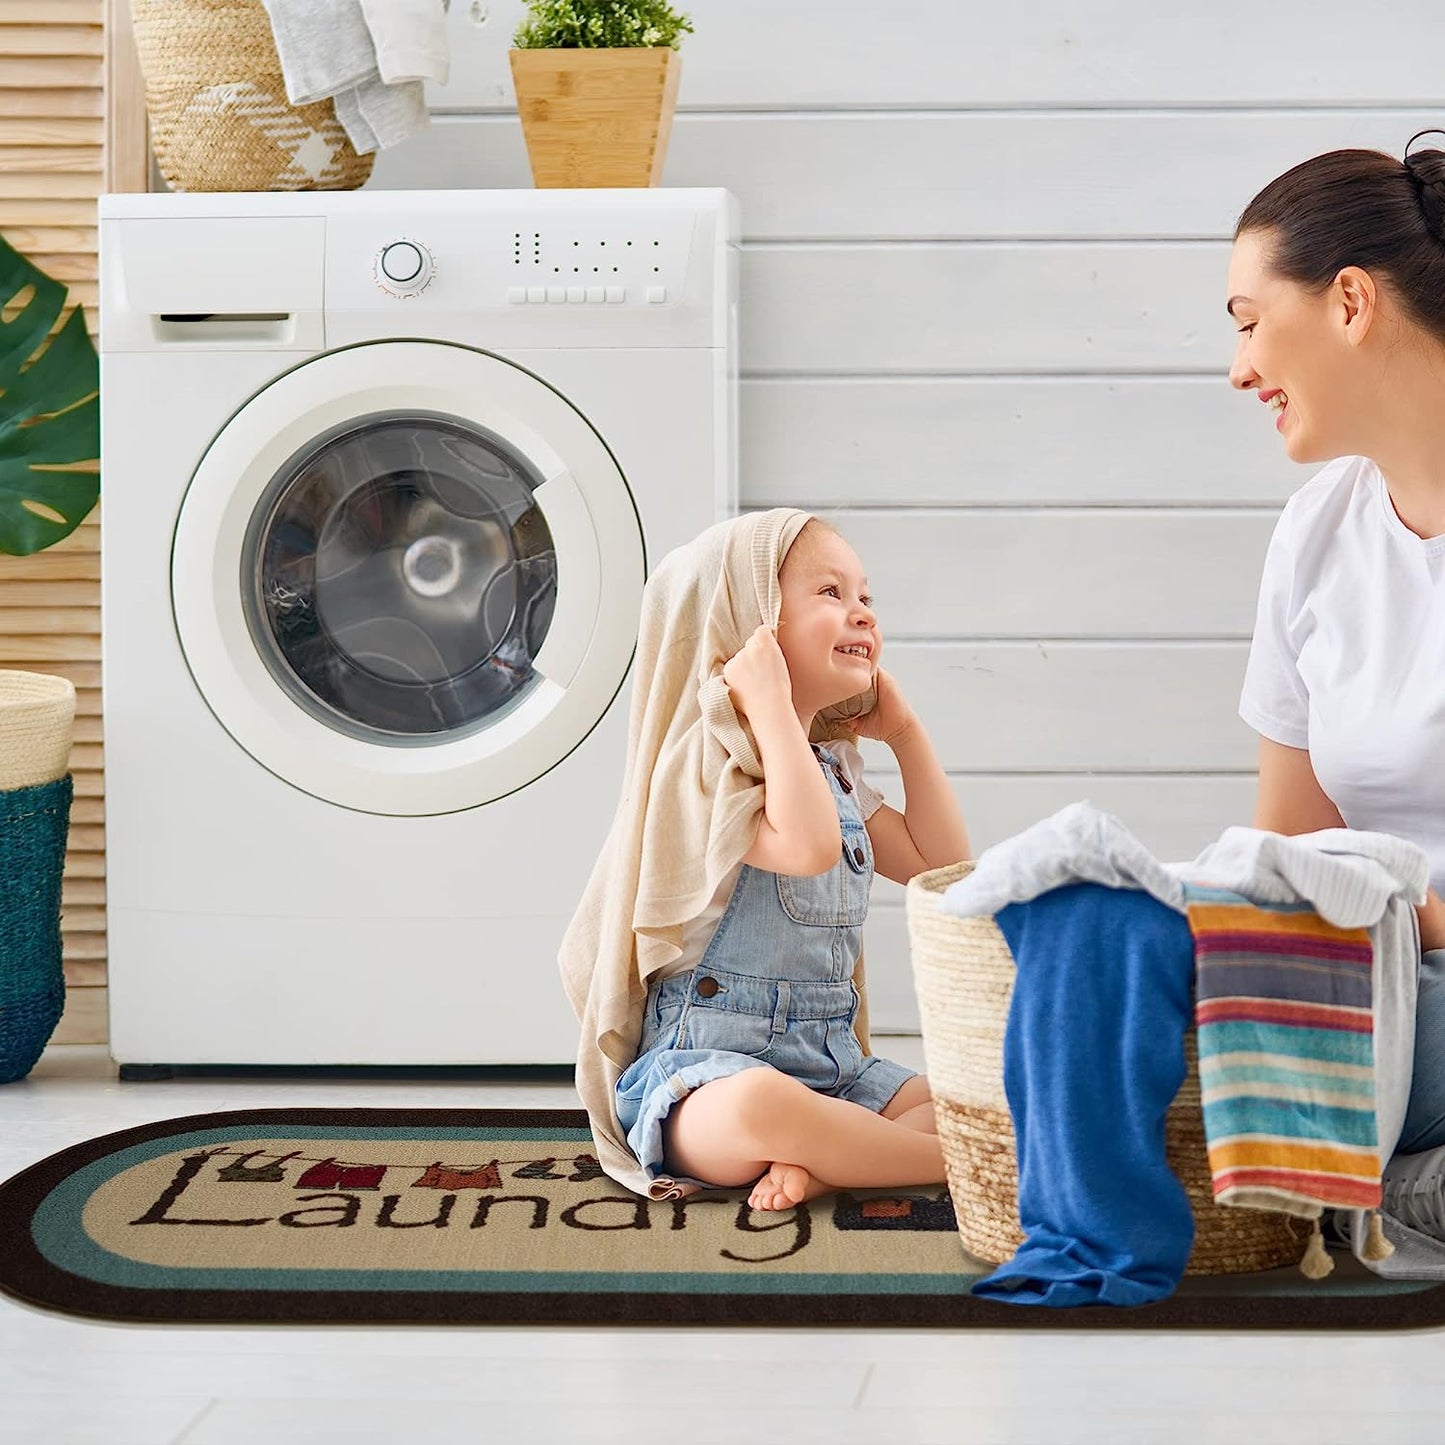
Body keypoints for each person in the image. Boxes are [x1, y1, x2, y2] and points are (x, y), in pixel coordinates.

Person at [559, 508, 969, 1210]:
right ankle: (965, 1164)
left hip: (832, 1068)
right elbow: (805, 848)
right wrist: (772, 706)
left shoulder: (830, 770)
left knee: (972, 1100)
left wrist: (903, 731)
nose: (863, 614)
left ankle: (829, 1161)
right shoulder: (707, 763)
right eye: (831, 593)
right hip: (705, 1075)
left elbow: (943, 866)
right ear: (749, 622)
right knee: (757, 1105)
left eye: (866, 597)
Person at [1228, 131, 1445, 1157]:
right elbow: (1290, 847)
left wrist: (1403, 917)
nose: (1238, 369)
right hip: (1371, 977)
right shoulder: (1316, 533)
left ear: (1348, 303)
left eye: (1248, 321)